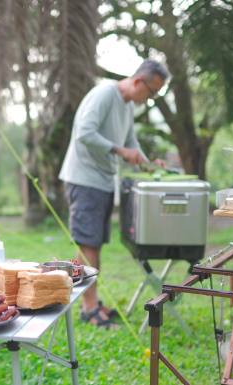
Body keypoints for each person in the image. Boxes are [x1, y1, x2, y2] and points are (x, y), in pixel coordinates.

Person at [58, 59, 169, 328]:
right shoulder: (105, 94)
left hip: (103, 181)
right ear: (139, 81)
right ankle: (88, 309)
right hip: (85, 180)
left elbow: (131, 144)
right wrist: (121, 152)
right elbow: (84, 133)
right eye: (152, 92)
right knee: (88, 245)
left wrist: (149, 162)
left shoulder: (127, 106)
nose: (150, 99)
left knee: (92, 245)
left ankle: (91, 303)